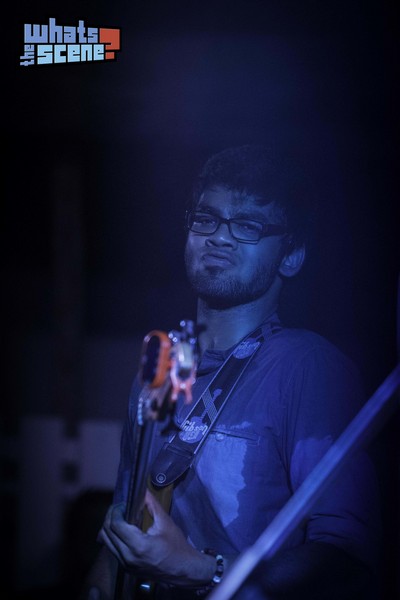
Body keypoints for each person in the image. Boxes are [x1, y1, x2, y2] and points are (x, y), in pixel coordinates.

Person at [82, 144, 381, 599]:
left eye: (247, 225)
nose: (219, 238)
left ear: (291, 255)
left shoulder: (308, 366)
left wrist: (204, 569)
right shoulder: (158, 368)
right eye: (206, 219)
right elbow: (126, 522)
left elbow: (346, 557)